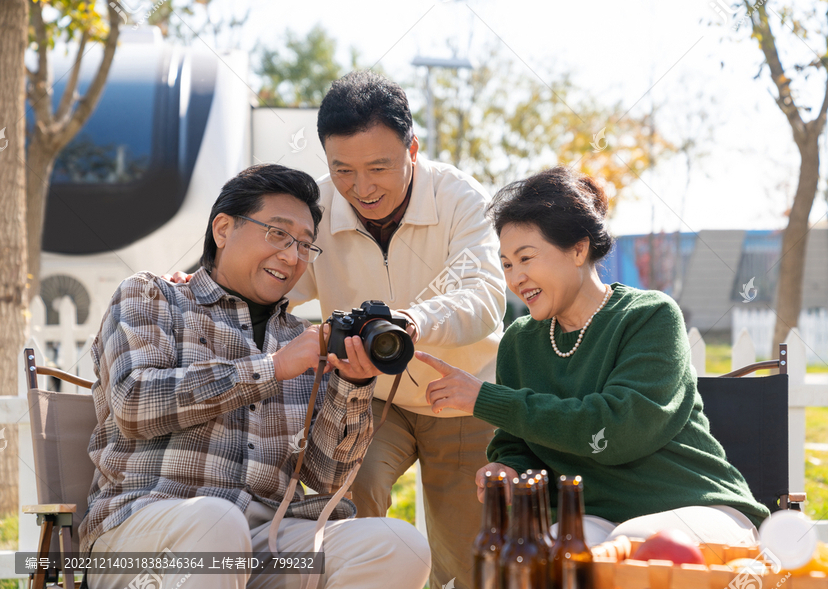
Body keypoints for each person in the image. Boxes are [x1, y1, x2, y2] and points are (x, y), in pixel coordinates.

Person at [81, 164, 431, 589]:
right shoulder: (153, 295)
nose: (292, 256)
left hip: (267, 540)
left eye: (305, 245)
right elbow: (134, 403)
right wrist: (271, 368)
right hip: (147, 529)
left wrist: (352, 387)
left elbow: (328, 479)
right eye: (278, 234)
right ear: (223, 229)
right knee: (216, 523)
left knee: (397, 546)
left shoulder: (304, 340)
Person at [416, 166, 771, 547]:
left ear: (578, 249)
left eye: (526, 257)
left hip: (698, 508)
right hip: (594, 517)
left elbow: (618, 430)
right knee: (551, 554)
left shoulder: (648, 316)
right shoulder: (520, 341)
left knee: (633, 546)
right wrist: (508, 469)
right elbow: (517, 443)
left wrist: (485, 398)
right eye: (506, 264)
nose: (516, 277)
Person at [286, 71, 506, 589]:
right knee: (347, 513)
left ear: (413, 147)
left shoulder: (461, 198)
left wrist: (412, 322)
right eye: (343, 170)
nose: (361, 188)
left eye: (379, 167)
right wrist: (205, 276)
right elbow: (270, 287)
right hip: (367, 397)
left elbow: (485, 299)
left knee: (467, 558)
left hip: (459, 393)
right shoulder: (315, 209)